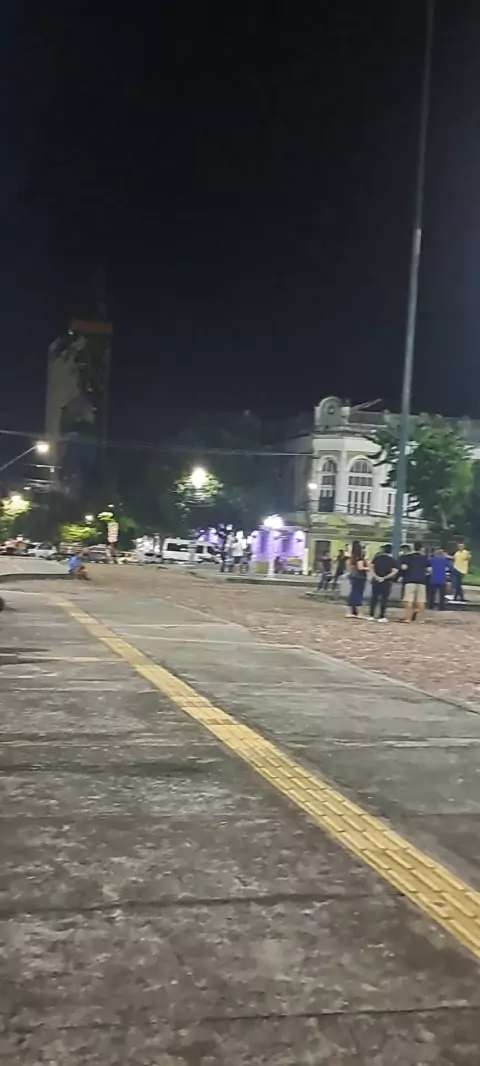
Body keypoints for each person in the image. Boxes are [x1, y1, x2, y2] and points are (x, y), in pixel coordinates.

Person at [401, 540, 429, 622]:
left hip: (409, 580)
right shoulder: (424, 557)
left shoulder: (408, 557)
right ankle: (421, 619)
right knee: (421, 601)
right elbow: (430, 570)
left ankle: (408, 618)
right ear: (421, 548)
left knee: (409, 600)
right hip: (421, 581)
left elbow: (404, 567)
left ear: (413, 547)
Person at [369, 543, 398, 622]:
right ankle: (382, 616)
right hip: (386, 582)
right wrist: (384, 578)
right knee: (384, 599)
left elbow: (371, 568)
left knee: (374, 598)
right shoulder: (392, 560)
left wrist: (376, 577)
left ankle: (371, 615)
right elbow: (395, 571)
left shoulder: (377, 558)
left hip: (376, 581)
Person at [346, 541, 368, 618]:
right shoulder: (359, 558)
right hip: (360, 577)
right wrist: (368, 568)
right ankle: (359, 612)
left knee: (353, 594)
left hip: (353, 576)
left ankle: (351, 611)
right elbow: (360, 568)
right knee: (358, 594)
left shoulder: (352, 557)